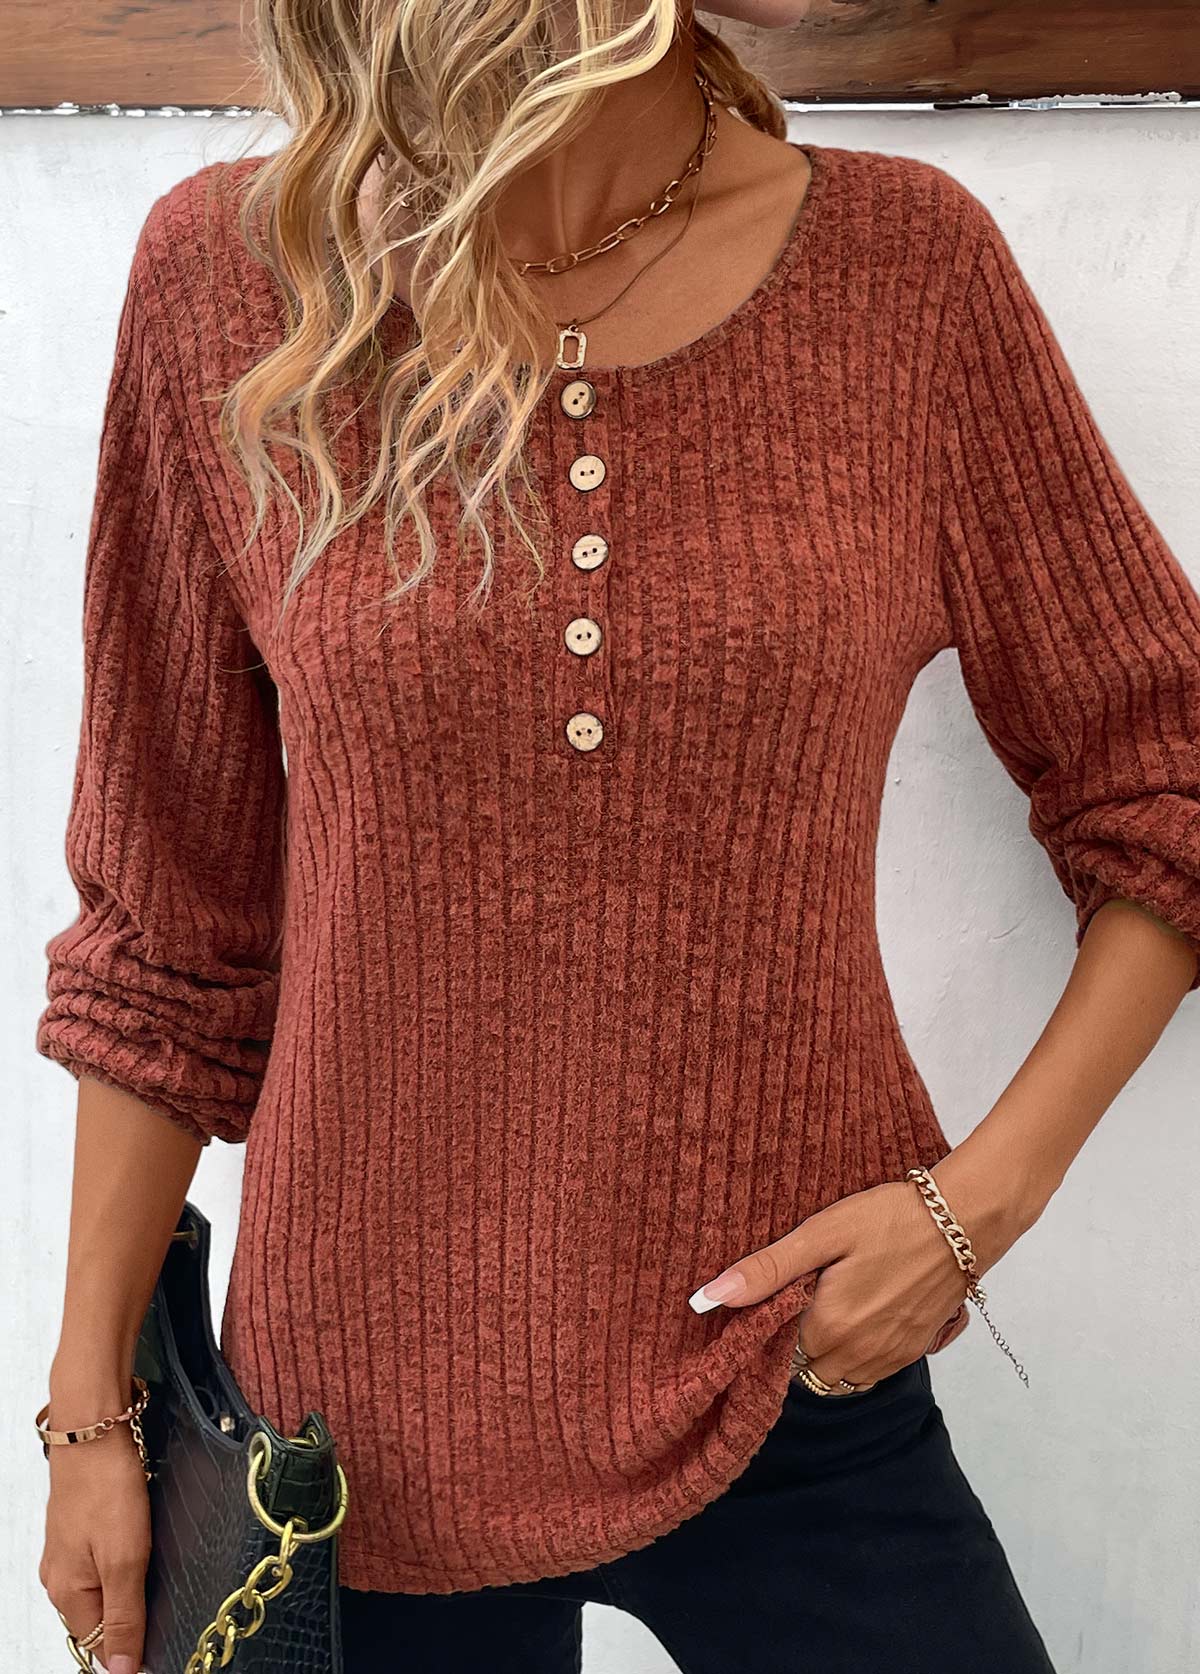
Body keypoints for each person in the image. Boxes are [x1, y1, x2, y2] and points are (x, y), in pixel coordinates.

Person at [32, 1, 1200, 1670]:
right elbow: (168, 922)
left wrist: (977, 1205)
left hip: (792, 1364)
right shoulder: (231, 280)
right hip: (354, 1440)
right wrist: (93, 1414)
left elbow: (1165, 768)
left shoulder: (907, 276)